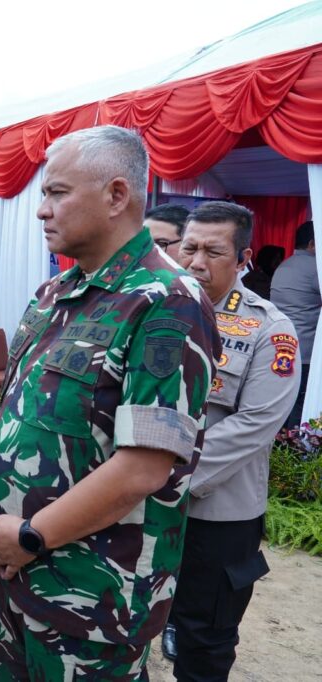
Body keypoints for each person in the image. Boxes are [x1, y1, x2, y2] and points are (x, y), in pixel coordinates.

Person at [0, 126, 218, 681]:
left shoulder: (167, 301)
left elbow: (143, 468)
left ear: (116, 195)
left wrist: (32, 535)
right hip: (19, 573)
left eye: (57, 193)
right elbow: (15, 409)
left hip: (95, 593)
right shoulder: (56, 293)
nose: (41, 211)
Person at [168, 201, 299, 680]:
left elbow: (255, 424)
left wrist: (162, 474)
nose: (197, 261)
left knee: (205, 639)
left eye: (213, 251)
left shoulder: (270, 329)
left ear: (243, 258)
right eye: (190, 248)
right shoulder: (157, 308)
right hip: (142, 501)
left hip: (217, 514)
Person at [271, 221, 319, 428]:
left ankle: (279, 447)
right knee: (300, 400)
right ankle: (293, 450)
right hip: (306, 350)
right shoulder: (316, 268)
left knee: (282, 399)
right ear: (313, 243)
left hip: (279, 343)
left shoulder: (285, 265)